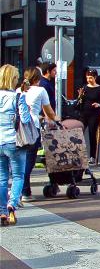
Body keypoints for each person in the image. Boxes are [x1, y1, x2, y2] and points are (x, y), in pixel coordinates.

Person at [16, 67, 57, 202]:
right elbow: (49, 111)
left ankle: (21, 190)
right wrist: (56, 119)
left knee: (20, 160)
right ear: (37, 79)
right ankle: (25, 190)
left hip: (19, 127)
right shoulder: (41, 90)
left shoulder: (19, 90)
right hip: (32, 128)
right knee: (30, 160)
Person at [0, 65, 32, 225]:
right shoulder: (18, 97)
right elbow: (25, 120)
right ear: (13, 79)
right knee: (18, 176)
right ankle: (12, 203)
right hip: (15, 142)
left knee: (2, 178)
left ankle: (2, 212)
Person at [76, 68, 100, 165]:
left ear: (95, 77)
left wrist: (98, 104)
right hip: (84, 114)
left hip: (94, 114)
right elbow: (80, 101)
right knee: (79, 134)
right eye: (88, 78)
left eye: (91, 78)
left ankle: (92, 156)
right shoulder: (84, 87)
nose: (89, 80)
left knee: (92, 135)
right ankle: (78, 154)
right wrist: (79, 96)